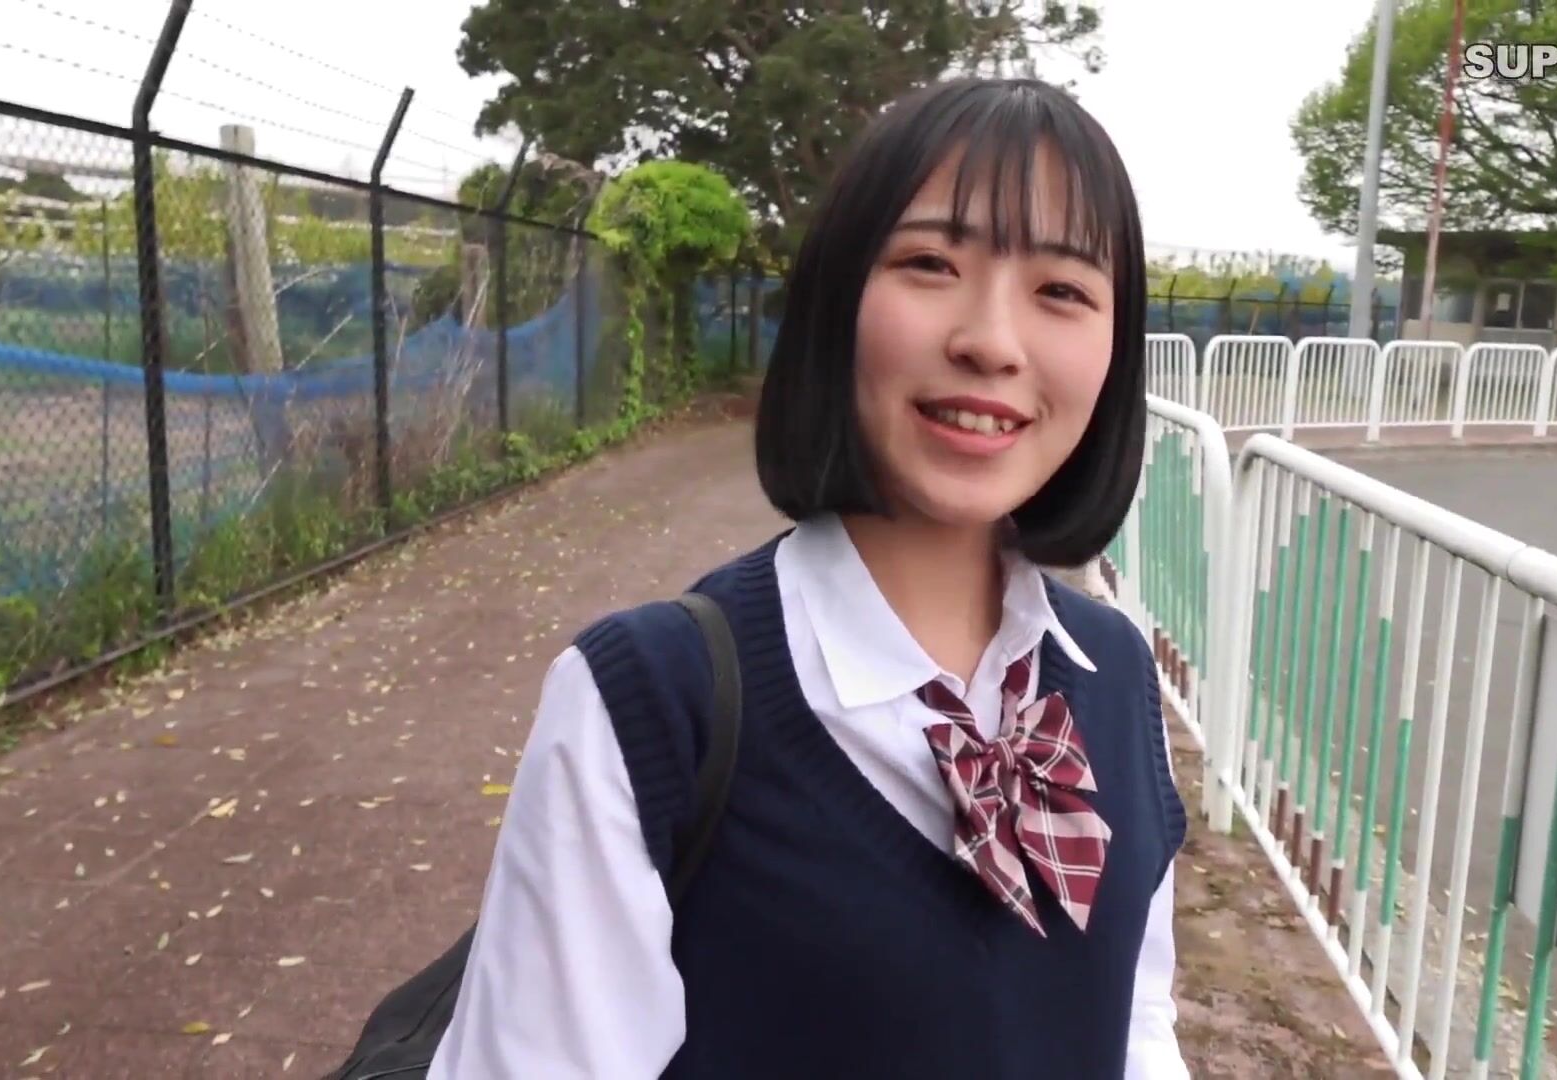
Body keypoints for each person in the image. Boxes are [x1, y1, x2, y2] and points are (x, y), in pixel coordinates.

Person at [429, 75, 1189, 1079]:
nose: (991, 342)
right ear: (837, 300)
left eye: (1062, 291)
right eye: (930, 263)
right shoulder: (649, 708)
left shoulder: (1120, 676)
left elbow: (1138, 1027)